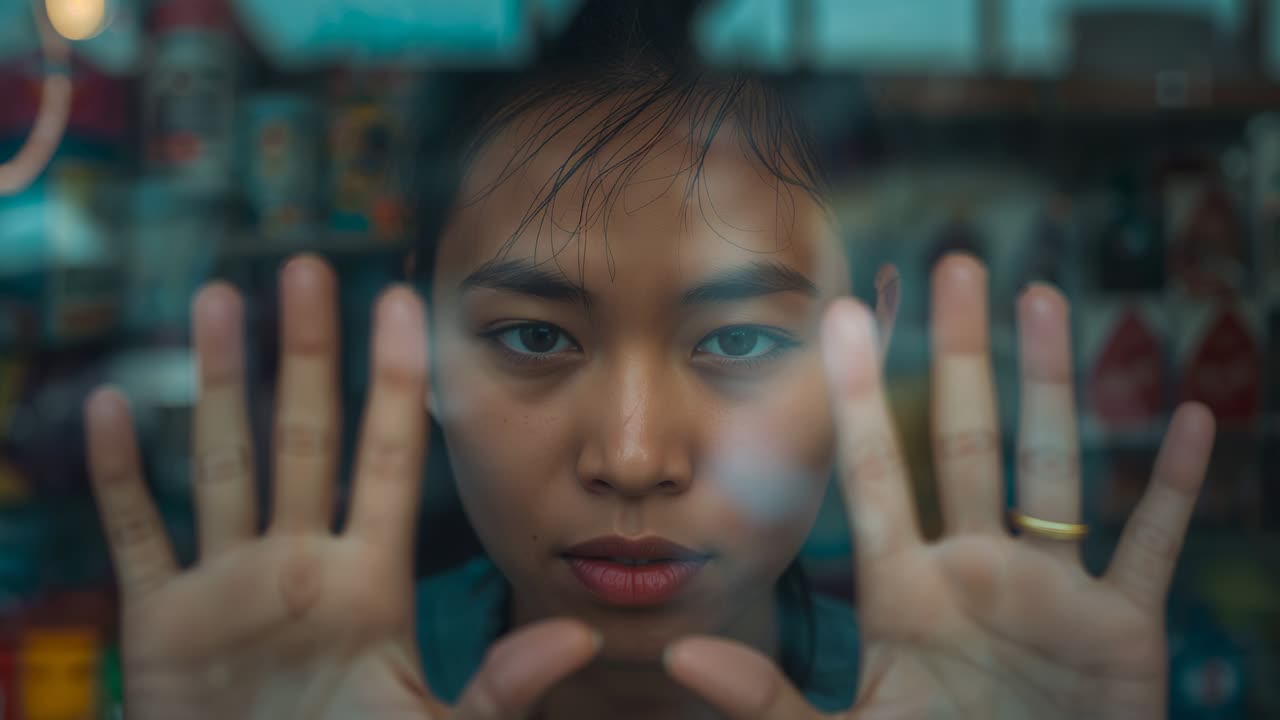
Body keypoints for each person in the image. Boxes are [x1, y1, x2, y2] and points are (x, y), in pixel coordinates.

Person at [81, 4, 1215, 719]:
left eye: (736, 341)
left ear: (856, 348)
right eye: (534, 337)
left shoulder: (974, 702)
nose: (632, 456)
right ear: (418, 340)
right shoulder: (291, 693)